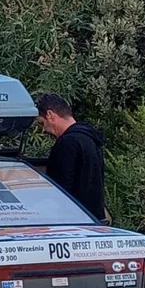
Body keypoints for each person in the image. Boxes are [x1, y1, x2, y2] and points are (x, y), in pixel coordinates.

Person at [34, 93, 108, 221]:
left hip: (73, 221)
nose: (44, 130)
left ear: (50, 115)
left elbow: (61, 191)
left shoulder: (68, 143)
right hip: (94, 219)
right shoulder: (89, 139)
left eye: (42, 123)